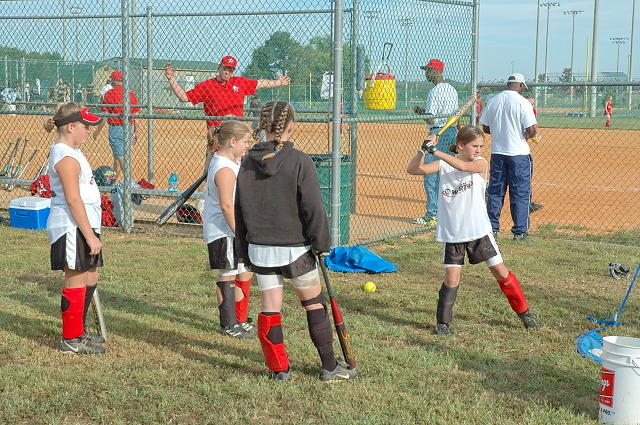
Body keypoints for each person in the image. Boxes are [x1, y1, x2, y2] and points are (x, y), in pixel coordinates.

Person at [235, 101, 358, 382]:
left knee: (270, 309)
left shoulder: (247, 162)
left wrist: (243, 250)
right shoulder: (300, 160)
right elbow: (313, 208)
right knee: (314, 303)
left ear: (263, 125)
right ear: (292, 126)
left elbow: (239, 209)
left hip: (260, 249)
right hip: (295, 250)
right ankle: (330, 366)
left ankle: (279, 369)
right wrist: (321, 243)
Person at [406, 126, 539, 335]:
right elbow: (413, 169)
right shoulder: (444, 165)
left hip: (479, 231)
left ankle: (525, 313)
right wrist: (422, 150)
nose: (478, 150)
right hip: (453, 233)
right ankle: (443, 324)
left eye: (481, 146)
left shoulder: (480, 163)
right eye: (474, 146)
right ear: (460, 145)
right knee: (451, 278)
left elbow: (462, 166)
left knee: (500, 272)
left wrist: (435, 150)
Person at [43, 102, 106, 354]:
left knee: (90, 275)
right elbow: (72, 199)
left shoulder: (73, 151)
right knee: (76, 278)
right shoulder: (65, 156)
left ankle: (79, 330)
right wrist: (89, 236)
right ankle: (71, 338)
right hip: (72, 226)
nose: (88, 130)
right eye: (85, 126)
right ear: (70, 127)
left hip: (84, 223)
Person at [164, 56, 291, 165]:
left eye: (231, 69)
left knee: (238, 171)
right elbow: (184, 97)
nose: (227, 72)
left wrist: (278, 82)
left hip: (237, 137)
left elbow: (259, 83)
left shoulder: (239, 83)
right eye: (225, 68)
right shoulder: (207, 86)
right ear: (220, 67)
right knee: (210, 173)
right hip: (218, 137)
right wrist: (171, 79)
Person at [203, 120, 255, 339]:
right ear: (232, 141)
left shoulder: (231, 160)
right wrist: (240, 233)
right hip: (224, 231)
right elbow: (226, 205)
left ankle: (240, 318)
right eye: (245, 142)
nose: (248, 146)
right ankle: (228, 323)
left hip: (234, 229)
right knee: (228, 275)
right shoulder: (223, 168)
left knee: (245, 271)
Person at [480, 73, 539, 242]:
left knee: (495, 192)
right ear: (520, 86)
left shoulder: (494, 100)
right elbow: (531, 130)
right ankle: (519, 232)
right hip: (519, 154)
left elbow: (485, 128)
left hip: (498, 153)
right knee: (520, 192)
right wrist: (529, 134)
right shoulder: (522, 102)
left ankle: (491, 229)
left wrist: (501, 132)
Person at [412, 58, 459, 228]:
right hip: (451, 131)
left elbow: (431, 118)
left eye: (428, 70)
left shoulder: (435, 91)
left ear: (437, 72)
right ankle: (446, 212)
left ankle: (432, 215)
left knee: (430, 174)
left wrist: (420, 113)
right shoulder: (452, 89)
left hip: (438, 133)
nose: (426, 73)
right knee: (447, 173)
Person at [96, 70, 140, 182]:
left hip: (115, 128)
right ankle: (113, 182)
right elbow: (136, 115)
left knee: (120, 157)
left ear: (113, 81)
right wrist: (135, 132)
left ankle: (130, 182)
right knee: (118, 157)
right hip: (128, 127)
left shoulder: (109, 94)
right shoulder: (130, 94)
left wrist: (97, 131)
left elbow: (105, 116)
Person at [526, 97, 543, 214]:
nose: (531, 106)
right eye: (529, 103)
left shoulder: (533, 110)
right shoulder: (524, 109)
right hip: (520, 151)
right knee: (524, 178)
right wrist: (535, 134)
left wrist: (535, 133)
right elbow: (531, 128)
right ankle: (527, 204)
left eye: (532, 104)